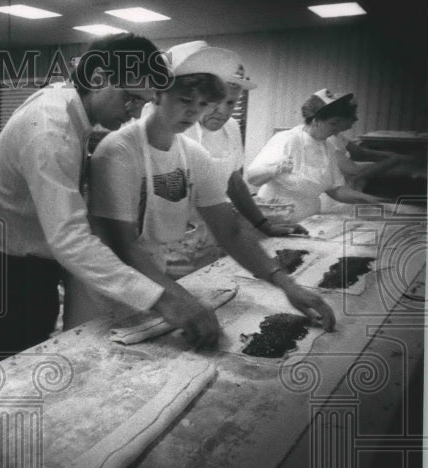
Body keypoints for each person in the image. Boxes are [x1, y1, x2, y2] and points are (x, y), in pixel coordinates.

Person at [0, 33, 223, 366]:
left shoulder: (70, 106)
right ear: (99, 77)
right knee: (8, 373)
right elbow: (70, 239)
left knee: (31, 364)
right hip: (8, 272)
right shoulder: (51, 130)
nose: (134, 114)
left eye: (142, 102)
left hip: (34, 263)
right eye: (130, 99)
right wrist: (163, 299)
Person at [85, 59, 336, 338]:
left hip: (153, 276)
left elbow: (230, 229)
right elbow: (123, 246)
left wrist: (287, 284)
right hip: (108, 286)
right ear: (157, 94)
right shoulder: (118, 151)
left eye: (203, 104)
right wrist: (179, 300)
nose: (194, 110)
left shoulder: (193, 154)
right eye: (184, 100)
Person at [165, 43, 306, 274]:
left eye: (231, 102)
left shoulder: (230, 128)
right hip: (169, 241)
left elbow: (234, 181)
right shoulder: (174, 131)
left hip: (210, 234)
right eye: (214, 102)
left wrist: (263, 224)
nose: (222, 111)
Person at [245, 89, 386, 222]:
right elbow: (253, 177)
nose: (336, 129)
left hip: (309, 221)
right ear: (315, 120)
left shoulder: (328, 147)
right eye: (333, 123)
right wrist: (275, 169)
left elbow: (335, 189)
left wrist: (365, 198)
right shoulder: (287, 139)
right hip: (276, 220)